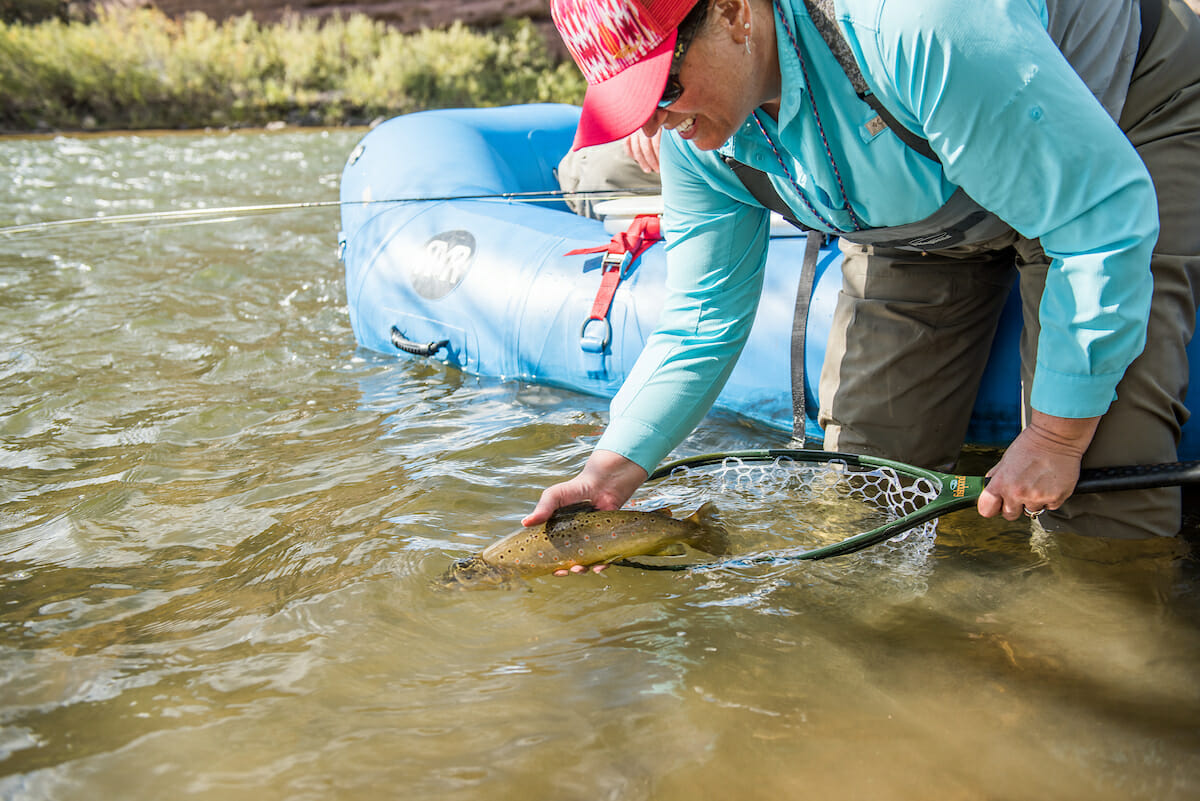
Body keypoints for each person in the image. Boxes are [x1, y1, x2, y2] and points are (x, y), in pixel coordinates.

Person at [528, 0, 1200, 560]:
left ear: (734, 12)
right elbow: (701, 316)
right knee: (859, 510)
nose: (654, 125)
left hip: (1115, 115)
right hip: (927, 208)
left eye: (662, 89)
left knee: (1106, 507)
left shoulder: (918, 24)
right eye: (630, 106)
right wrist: (609, 471)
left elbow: (1098, 216)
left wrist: (1057, 436)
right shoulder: (693, 139)